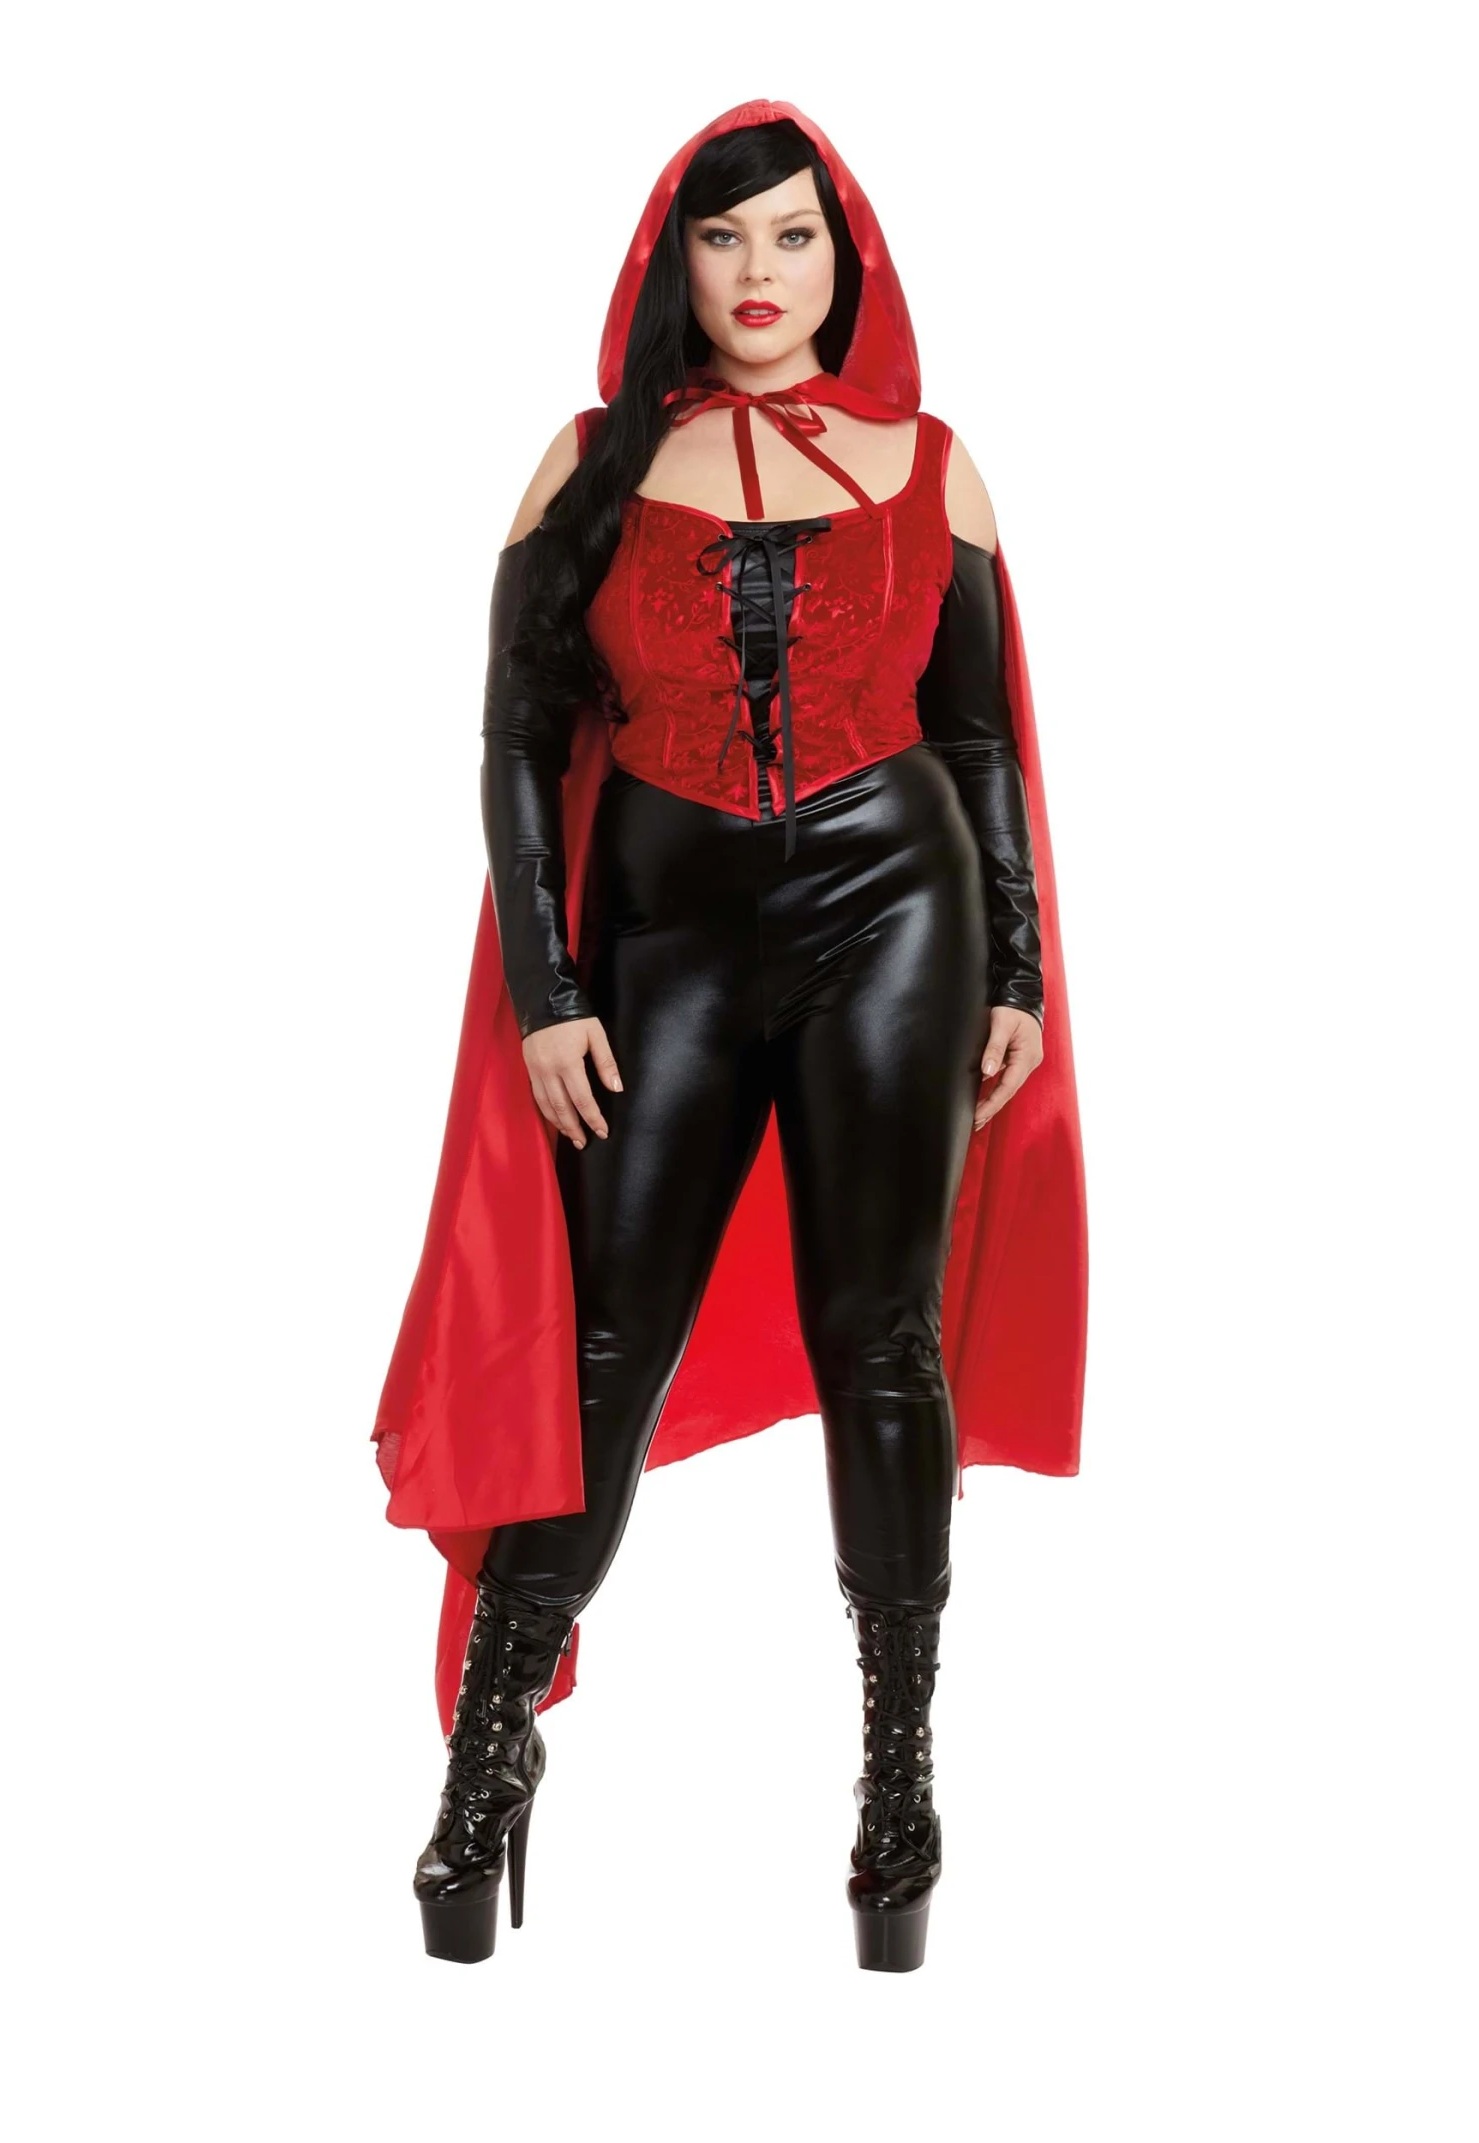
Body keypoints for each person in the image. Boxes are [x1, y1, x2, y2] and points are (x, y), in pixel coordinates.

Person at [375, 99, 1088, 1974]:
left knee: (882, 1335)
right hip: (665, 932)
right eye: (723, 238)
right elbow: (515, 738)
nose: (759, 274)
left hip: (894, 909)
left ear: (843, 262)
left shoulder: (932, 465)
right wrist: (549, 992)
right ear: (670, 262)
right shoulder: (593, 461)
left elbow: (979, 739)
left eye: (792, 237)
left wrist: (1014, 970)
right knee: (600, 1346)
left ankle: (899, 1784)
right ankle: (486, 1763)